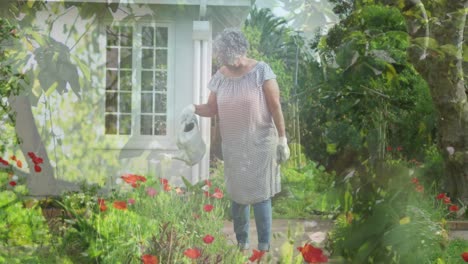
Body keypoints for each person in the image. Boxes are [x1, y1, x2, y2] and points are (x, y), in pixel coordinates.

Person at [180, 28, 290, 253]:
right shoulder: (220, 76)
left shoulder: (261, 71)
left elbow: (275, 106)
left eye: (233, 59)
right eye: (225, 59)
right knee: (238, 197)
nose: (230, 64)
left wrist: (283, 139)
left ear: (241, 51)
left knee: (260, 196)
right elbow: (212, 108)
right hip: (234, 147)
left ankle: (264, 248)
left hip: (261, 144)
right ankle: (241, 246)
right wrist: (192, 108)